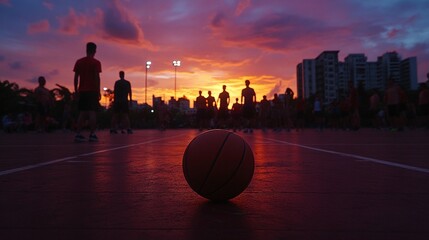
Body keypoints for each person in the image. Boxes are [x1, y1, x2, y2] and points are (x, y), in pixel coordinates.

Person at [73, 42, 102, 142]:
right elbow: (97, 77)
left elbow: (76, 77)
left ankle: (78, 134)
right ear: (94, 51)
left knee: (82, 113)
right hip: (92, 90)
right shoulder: (96, 62)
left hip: (82, 90)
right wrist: (98, 91)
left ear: (86, 49)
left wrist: (76, 90)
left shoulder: (79, 62)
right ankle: (92, 134)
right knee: (92, 112)